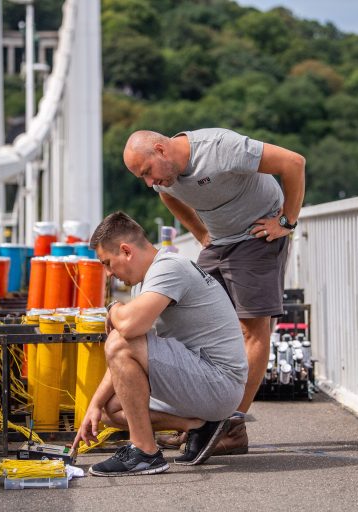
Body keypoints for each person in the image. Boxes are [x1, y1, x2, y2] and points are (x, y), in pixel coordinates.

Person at [122, 128, 306, 455]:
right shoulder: (167, 180)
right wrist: (200, 232)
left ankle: (230, 428)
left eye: (147, 172)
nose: (149, 183)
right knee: (186, 318)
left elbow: (293, 163)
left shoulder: (219, 149)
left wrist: (286, 222)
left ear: (162, 150)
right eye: (141, 178)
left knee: (251, 329)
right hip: (219, 241)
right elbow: (168, 196)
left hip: (257, 234)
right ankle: (204, 420)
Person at [72, 211, 248, 476]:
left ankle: (144, 452)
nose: (108, 273)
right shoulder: (145, 282)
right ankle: (198, 425)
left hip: (219, 382)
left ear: (126, 251)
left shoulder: (169, 267)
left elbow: (129, 330)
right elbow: (125, 356)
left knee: (120, 339)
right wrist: (94, 405)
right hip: (202, 380)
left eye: (107, 263)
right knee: (110, 410)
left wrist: (113, 308)